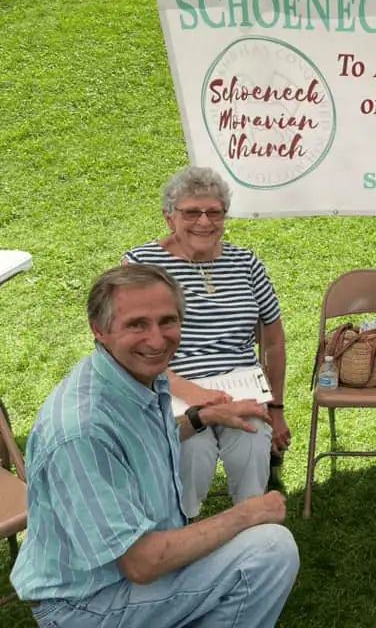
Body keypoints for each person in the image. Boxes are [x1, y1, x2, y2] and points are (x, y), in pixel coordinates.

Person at [11, 264, 299, 627]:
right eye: (137, 324)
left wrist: (205, 417)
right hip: (86, 603)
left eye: (167, 321)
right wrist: (246, 513)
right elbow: (142, 562)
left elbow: (139, 441)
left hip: (117, 578)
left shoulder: (132, 374)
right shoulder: (83, 430)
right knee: (271, 549)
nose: (157, 339)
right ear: (99, 330)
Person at [123, 166, 290, 518]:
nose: (204, 221)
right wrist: (199, 398)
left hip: (241, 388)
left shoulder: (246, 263)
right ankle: (182, 530)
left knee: (250, 437)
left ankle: (250, 527)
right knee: (192, 451)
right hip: (173, 392)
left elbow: (273, 340)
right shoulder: (143, 265)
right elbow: (131, 348)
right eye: (191, 212)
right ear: (170, 217)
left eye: (214, 212)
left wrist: (275, 409)